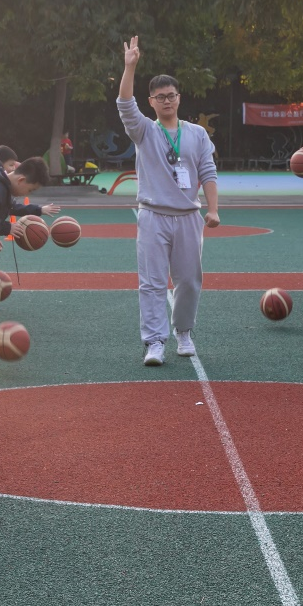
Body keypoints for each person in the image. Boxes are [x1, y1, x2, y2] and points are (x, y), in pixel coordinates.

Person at [117, 34, 220, 366]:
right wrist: (129, 66)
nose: (167, 101)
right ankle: (154, 341)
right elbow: (124, 104)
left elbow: (208, 171)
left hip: (189, 216)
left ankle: (183, 331)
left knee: (189, 280)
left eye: (171, 95)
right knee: (152, 282)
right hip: (152, 215)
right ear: (151, 101)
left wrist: (214, 209)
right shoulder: (144, 130)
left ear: (179, 97)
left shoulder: (197, 134)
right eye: (160, 97)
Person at [0, 155, 58, 360]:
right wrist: (7, 227)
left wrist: (38, 210)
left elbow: (11, 207)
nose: (28, 194)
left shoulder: (1, 185)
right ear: (22, 180)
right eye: (30, 191)